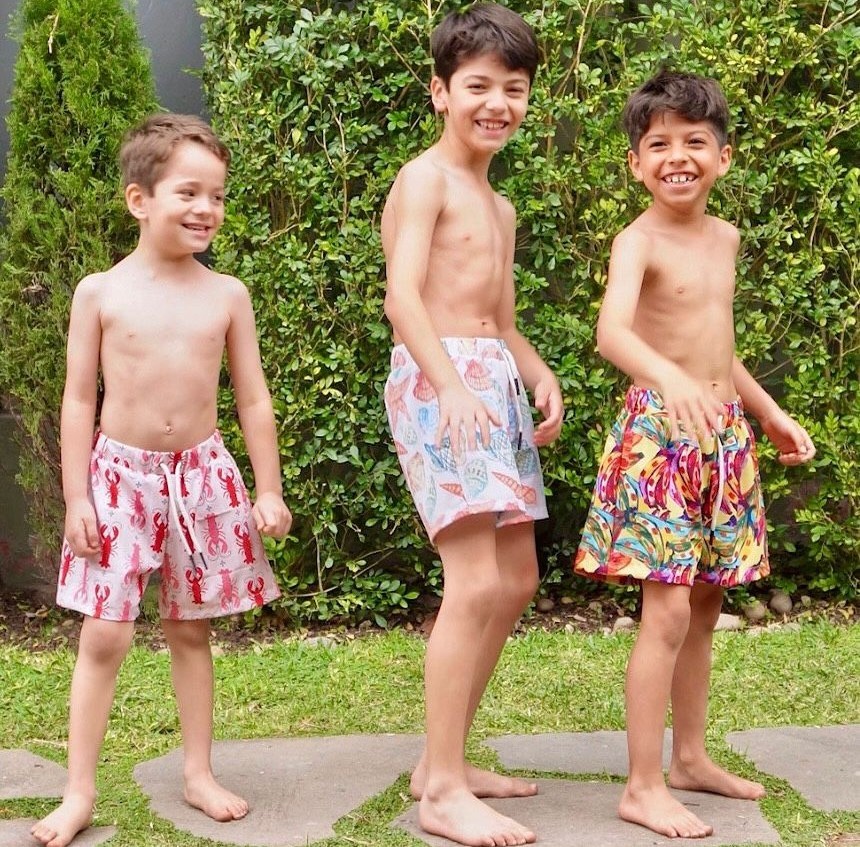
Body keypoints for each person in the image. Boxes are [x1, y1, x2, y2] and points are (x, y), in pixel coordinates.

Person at [32, 113, 292, 847]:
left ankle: (198, 772)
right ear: (139, 199)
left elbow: (252, 399)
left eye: (217, 195)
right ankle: (79, 790)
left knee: (189, 628)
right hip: (119, 479)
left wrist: (268, 488)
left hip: (202, 477)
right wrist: (77, 496)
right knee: (105, 634)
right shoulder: (99, 293)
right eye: (189, 192)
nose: (207, 208)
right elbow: (78, 399)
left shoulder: (227, 294)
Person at [574, 69, 816, 839]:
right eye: (659, 144)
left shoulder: (725, 238)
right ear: (636, 163)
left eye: (694, 142)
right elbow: (613, 333)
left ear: (724, 156)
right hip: (661, 438)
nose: (677, 156)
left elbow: (719, 347)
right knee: (669, 608)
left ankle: (689, 757)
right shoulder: (637, 241)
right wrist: (670, 378)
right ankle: (642, 784)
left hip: (722, 434)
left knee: (707, 603)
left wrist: (768, 412)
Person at [381, 5, 564, 846]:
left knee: (516, 577)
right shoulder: (425, 180)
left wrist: (536, 370)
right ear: (441, 92)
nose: (497, 104)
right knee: (475, 582)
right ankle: (445, 792)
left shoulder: (500, 205)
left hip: (490, 380)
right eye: (479, 86)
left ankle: (439, 760)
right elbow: (403, 297)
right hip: (439, 380)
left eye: (513, 89)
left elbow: (501, 318)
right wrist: (450, 385)